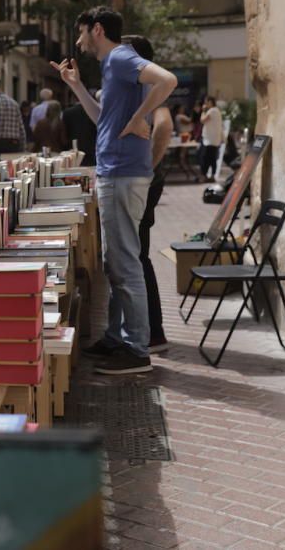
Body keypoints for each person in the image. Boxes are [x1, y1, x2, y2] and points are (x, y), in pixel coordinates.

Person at [51, 6, 177, 375]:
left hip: (123, 173)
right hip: (114, 171)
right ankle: (117, 338)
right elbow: (101, 118)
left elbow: (167, 80)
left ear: (98, 29)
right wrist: (74, 85)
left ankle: (136, 350)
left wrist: (140, 119)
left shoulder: (122, 56)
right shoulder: (113, 65)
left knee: (124, 263)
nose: (78, 41)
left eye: (81, 32)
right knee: (116, 262)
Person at [123, 34, 174, 354]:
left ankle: (153, 333)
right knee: (137, 255)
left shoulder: (151, 87)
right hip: (144, 182)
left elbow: (165, 126)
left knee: (138, 256)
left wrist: (148, 169)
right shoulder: (141, 89)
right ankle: (149, 330)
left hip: (144, 184)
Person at [62, 98, 98, 165]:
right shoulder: (93, 111)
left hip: (74, 145)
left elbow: (65, 131)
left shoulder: (67, 112)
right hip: (92, 145)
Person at [199, 95, 224, 181]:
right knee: (212, 159)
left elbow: (202, 120)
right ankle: (212, 176)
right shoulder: (216, 111)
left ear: (210, 102)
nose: (205, 104)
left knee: (205, 158)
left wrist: (203, 111)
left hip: (209, 140)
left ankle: (204, 176)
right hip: (214, 139)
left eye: (206, 102)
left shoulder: (212, 111)